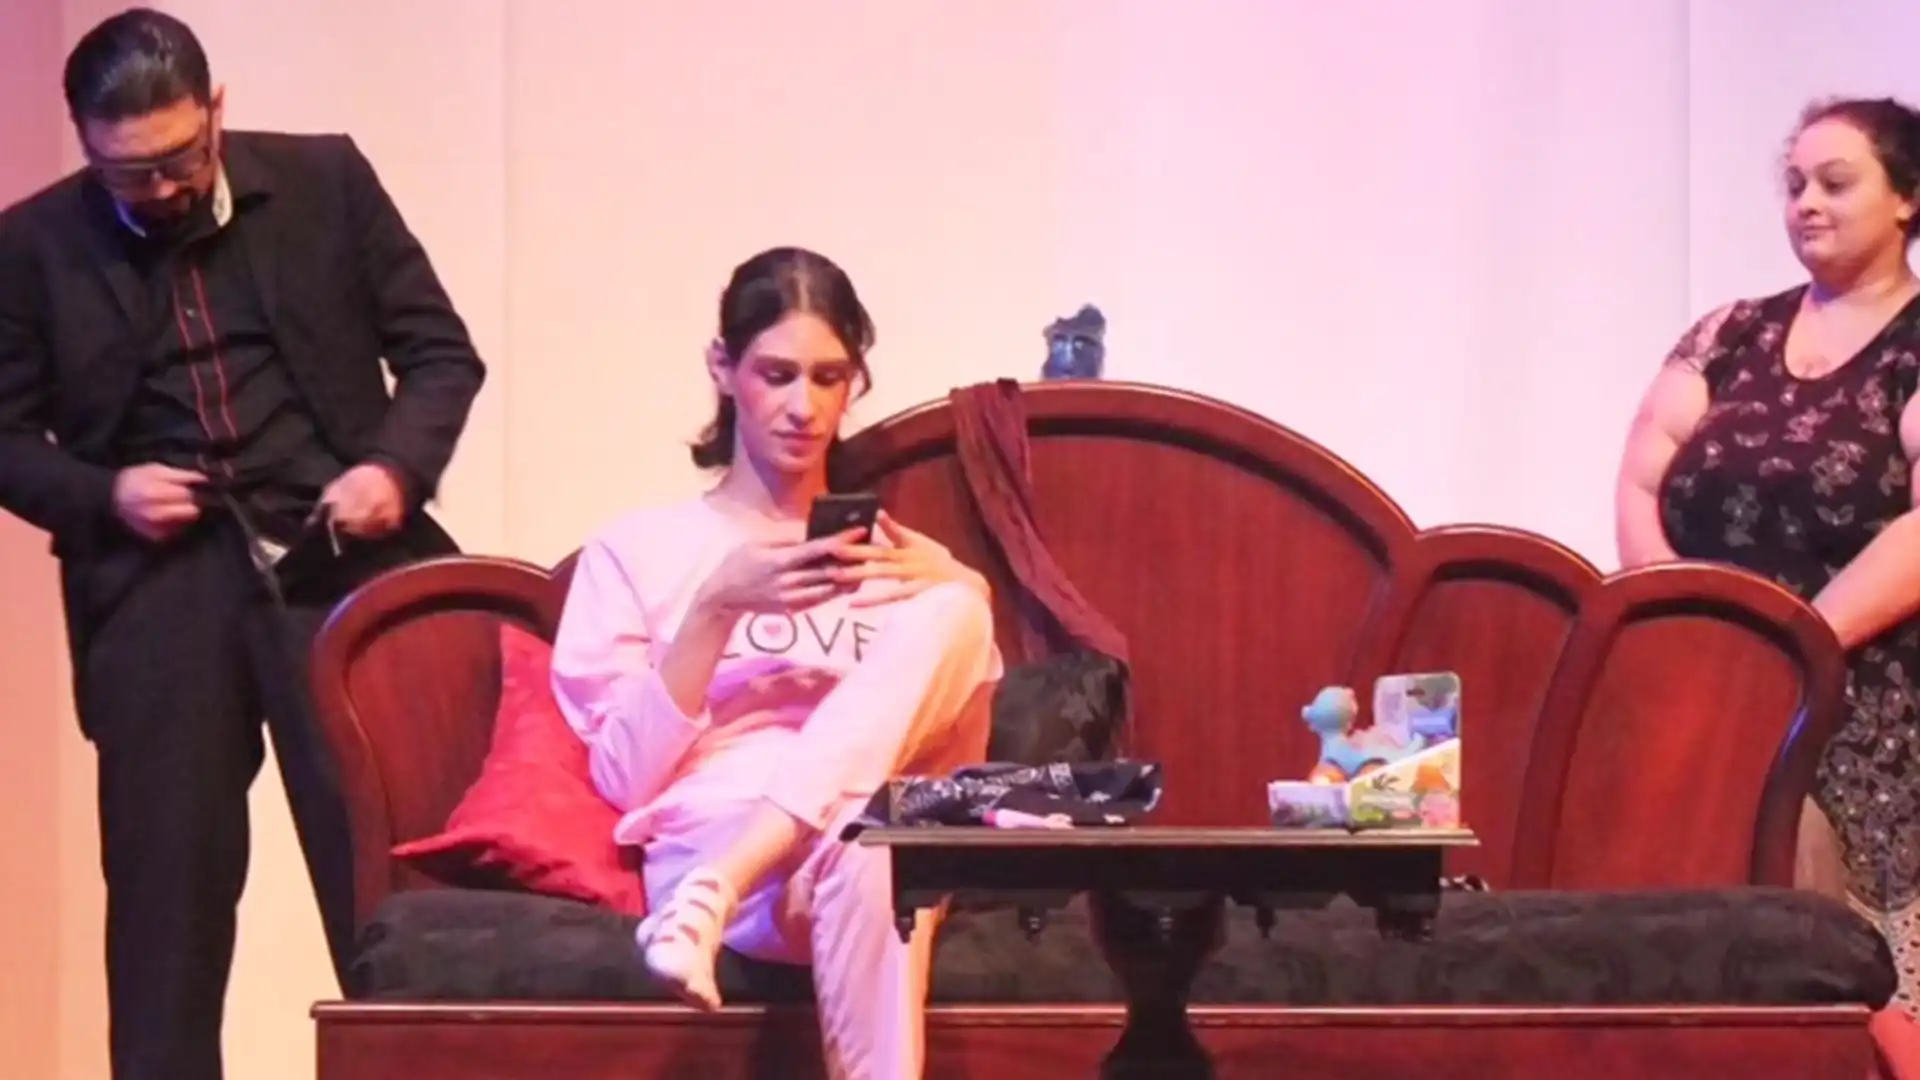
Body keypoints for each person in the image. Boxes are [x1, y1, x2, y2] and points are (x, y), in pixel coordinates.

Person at [0, 9, 486, 1079]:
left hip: (336, 570)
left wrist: (392, 470)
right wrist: (104, 493)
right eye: (127, 173)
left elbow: (440, 355)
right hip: (160, 593)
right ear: (85, 141)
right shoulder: (31, 245)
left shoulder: (324, 181)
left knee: (393, 889)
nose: (161, 190)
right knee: (164, 910)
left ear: (216, 109)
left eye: (180, 159)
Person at [550, 245, 1000, 1079]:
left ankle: (718, 885)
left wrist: (967, 608)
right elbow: (621, 778)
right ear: (723, 368)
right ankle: (725, 876)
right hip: (714, 830)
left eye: (829, 378)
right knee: (878, 843)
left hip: (863, 850)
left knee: (883, 827)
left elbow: (952, 783)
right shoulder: (638, 549)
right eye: (777, 374)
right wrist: (716, 607)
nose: (804, 407)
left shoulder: (902, 563)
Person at [1615, 96, 1920, 1011]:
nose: (1806, 204)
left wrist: (1785, 648)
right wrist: (1682, 633)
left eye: (1835, 183)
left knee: (1819, 956)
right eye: (1794, 186)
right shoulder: (1731, 333)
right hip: (1702, 687)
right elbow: (1640, 483)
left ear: (1907, 199)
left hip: (1857, 701)